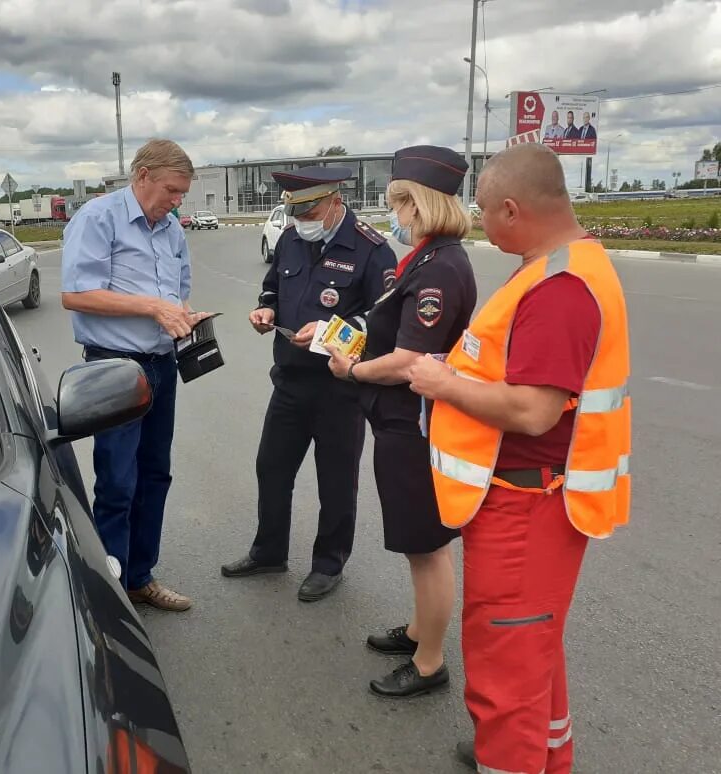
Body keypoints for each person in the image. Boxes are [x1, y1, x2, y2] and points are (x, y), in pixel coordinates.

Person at [407, 142, 631, 773]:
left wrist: (441, 383)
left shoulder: (559, 287)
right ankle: (547, 754)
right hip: (530, 497)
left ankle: (512, 757)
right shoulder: (559, 264)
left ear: (512, 208)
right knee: (532, 651)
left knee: (505, 668)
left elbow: (534, 411)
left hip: (527, 507)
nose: (477, 222)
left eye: (482, 210)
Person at [326, 146, 477, 698]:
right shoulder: (428, 258)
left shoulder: (442, 267)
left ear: (418, 204)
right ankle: (419, 631)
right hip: (398, 421)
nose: (394, 215)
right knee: (417, 541)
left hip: (414, 424)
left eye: (398, 204)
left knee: (426, 545)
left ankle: (431, 662)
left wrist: (354, 370)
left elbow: (412, 358)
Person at [221, 166, 397, 601]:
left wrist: (332, 329)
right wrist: (265, 311)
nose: (303, 219)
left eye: (311, 210)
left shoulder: (373, 251)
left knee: (336, 482)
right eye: (295, 211)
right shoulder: (290, 240)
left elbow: (386, 321)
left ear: (335, 202)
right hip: (290, 382)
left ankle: (328, 563)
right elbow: (271, 289)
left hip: (341, 389)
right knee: (272, 468)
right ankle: (269, 552)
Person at [61, 138, 212, 612]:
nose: (177, 202)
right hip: (114, 366)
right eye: (172, 190)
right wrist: (152, 308)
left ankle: (140, 576)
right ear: (142, 176)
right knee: (117, 481)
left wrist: (185, 317)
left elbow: (177, 294)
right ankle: (109, 591)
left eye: (183, 194)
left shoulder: (170, 229)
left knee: (154, 474)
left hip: (162, 364)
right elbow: (77, 293)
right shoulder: (98, 218)